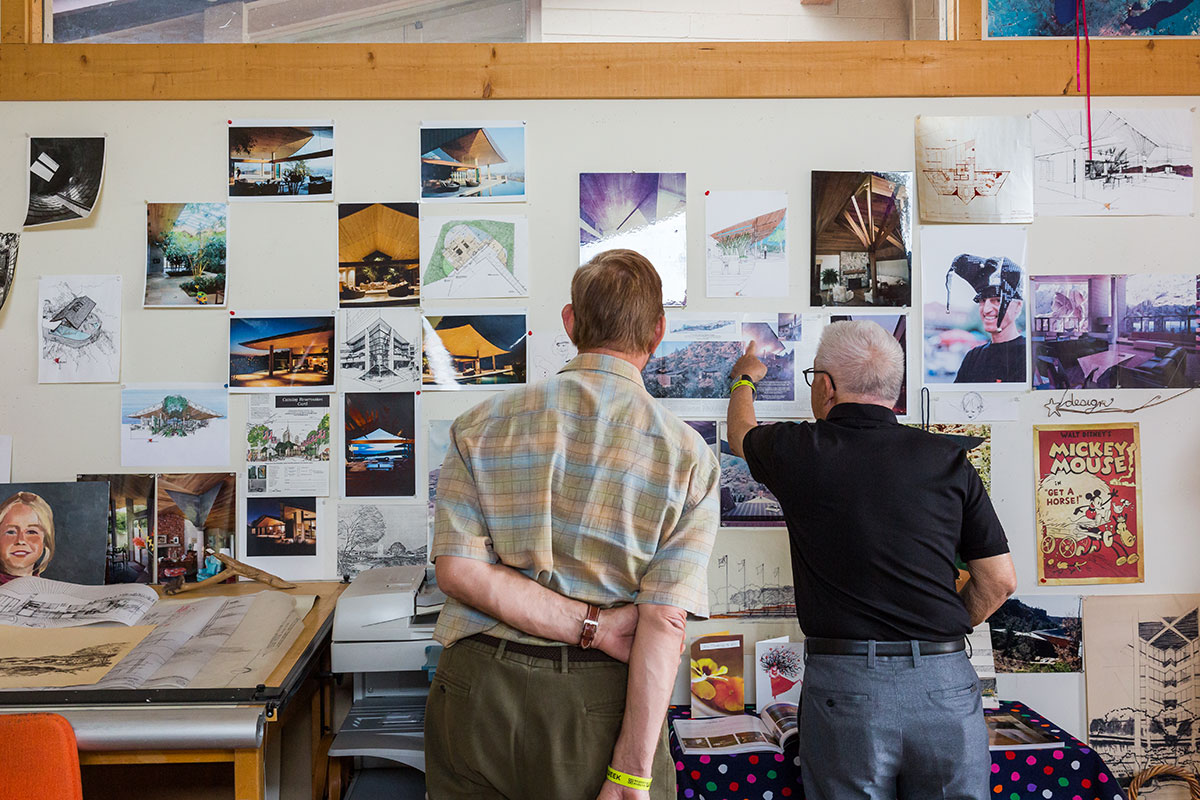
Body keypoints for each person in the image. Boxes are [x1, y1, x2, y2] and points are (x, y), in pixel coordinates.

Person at [426, 248, 720, 800]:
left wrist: (590, 624)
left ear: (569, 322)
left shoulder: (478, 426)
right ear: (658, 332)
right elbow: (663, 622)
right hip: (597, 708)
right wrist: (631, 775)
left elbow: (459, 573)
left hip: (475, 691)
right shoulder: (688, 457)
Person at [726, 320, 1017, 800]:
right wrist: (934, 634)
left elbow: (741, 434)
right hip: (944, 684)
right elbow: (999, 580)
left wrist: (743, 379)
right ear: (893, 389)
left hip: (847, 689)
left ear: (825, 386)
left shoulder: (801, 450)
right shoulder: (948, 459)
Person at [946, 253, 1026, 384]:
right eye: (982, 300)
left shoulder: (1029, 355)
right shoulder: (973, 357)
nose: (986, 309)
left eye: (997, 300)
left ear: (1018, 306)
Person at [0, 492, 56, 584]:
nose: (20, 540)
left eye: (31, 532)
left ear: (45, 540)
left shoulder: (49, 591)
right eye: (11, 532)